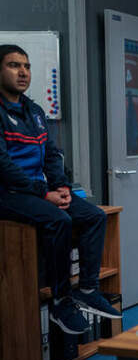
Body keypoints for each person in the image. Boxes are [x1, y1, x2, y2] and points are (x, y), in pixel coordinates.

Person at [0, 44, 121, 335]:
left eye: (27, 66)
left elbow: (52, 155)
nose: (23, 72)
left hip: (38, 190)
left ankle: (88, 290)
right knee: (59, 220)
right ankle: (60, 301)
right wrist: (44, 193)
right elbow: (3, 165)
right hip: (8, 193)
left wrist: (61, 186)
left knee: (94, 216)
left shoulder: (34, 111)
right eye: (14, 65)